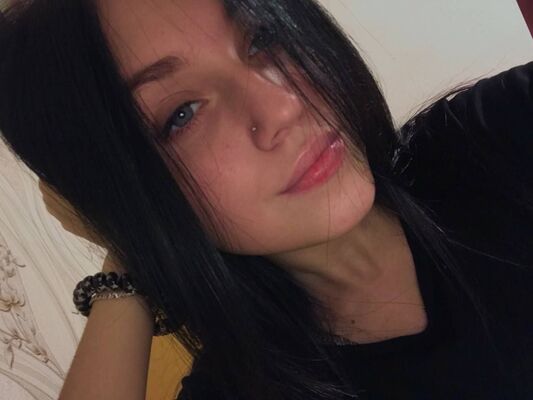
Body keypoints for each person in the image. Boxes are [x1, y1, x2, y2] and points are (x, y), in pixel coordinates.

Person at [0, 0, 531, 399]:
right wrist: (129, 256)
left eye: (262, 37)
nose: (282, 105)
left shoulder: (485, 140)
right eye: (182, 114)